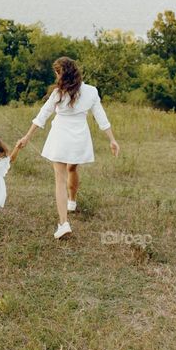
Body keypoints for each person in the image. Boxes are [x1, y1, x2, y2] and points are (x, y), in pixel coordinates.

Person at [17, 56, 120, 239]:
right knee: (72, 168)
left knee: (61, 179)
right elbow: (101, 118)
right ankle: (70, 204)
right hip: (79, 137)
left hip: (61, 136)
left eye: (57, 73)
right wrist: (112, 139)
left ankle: (64, 222)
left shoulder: (59, 92)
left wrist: (27, 136)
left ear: (61, 73)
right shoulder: (90, 91)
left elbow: (43, 115)